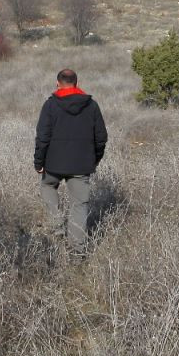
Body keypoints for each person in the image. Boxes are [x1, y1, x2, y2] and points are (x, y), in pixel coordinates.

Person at [34, 68, 108, 253]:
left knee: (47, 186)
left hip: (53, 164)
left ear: (57, 83)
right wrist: (95, 159)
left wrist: (39, 162)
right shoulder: (91, 105)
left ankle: (57, 225)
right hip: (82, 164)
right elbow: (101, 138)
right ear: (77, 83)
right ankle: (77, 252)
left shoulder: (50, 105)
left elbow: (42, 137)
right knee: (79, 206)